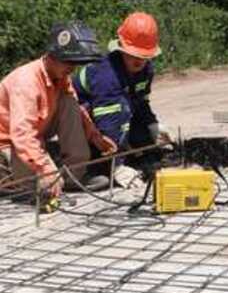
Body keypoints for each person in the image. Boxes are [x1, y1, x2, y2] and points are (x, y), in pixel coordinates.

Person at [0, 21, 116, 201]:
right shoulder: (25, 82)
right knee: (41, 187)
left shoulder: (61, 76)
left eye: (76, 63)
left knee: (69, 102)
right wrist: (44, 168)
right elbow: (22, 135)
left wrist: (95, 137)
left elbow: (75, 109)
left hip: (34, 135)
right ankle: (26, 181)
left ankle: (73, 177)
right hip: (8, 145)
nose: (72, 68)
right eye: (69, 62)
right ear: (52, 56)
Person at [73, 12, 169, 158]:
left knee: (145, 141)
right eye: (133, 55)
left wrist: (153, 125)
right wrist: (116, 165)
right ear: (122, 48)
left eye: (143, 56)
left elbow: (141, 102)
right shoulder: (106, 74)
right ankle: (103, 161)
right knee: (119, 112)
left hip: (112, 115)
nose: (138, 61)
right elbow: (108, 123)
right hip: (82, 117)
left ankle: (126, 151)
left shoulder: (146, 70)